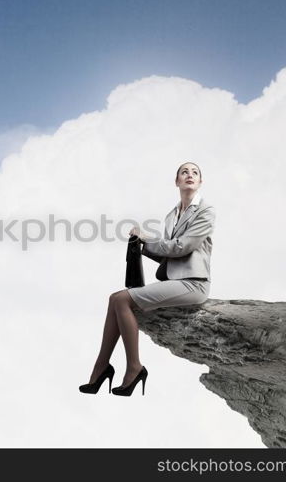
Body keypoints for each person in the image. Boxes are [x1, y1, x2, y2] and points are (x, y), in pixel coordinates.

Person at [79, 162, 215, 396]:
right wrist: (141, 244)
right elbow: (168, 253)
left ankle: (134, 367)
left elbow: (182, 247)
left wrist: (148, 239)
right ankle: (101, 367)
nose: (189, 175)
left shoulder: (205, 211)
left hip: (194, 284)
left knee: (121, 299)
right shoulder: (172, 215)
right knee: (114, 299)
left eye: (195, 173)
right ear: (177, 181)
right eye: (184, 172)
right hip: (176, 280)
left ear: (201, 182)